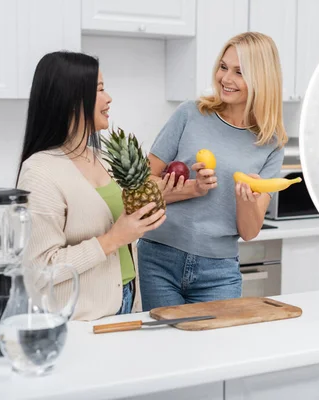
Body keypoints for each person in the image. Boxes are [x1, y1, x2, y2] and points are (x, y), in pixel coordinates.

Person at [138, 32, 287, 311]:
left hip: (218, 272)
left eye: (240, 72)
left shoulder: (271, 143)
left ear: (262, 79)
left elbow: (249, 231)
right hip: (159, 257)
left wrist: (246, 201)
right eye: (223, 67)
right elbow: (142, 186)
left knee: (219, 352)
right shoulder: (190, 114)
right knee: (162, 350)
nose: (226, 79)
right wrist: (190, 188)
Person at [16, 51, 166, 321]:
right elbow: (39, 271)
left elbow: (122, 231)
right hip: (78, 318)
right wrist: (112, 240)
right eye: (99, 89)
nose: (108, 98)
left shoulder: (104, 159)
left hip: (126, 303)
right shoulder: (39, 172)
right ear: (72, 99)